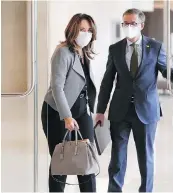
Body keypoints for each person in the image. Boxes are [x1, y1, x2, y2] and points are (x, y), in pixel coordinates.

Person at [95, 8, 173, 192]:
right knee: (117, 157)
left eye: (132, 23)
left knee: (146, 157)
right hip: (120, 111)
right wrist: (100, 110)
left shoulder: (155, 47)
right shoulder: (115, 48)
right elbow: (107, 81)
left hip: (147, 110)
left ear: (141, 25)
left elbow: (168, 74)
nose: (128, 27)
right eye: (125, 23)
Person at [41, 13, 97, 192]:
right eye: (82, 29)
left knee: (86, 161)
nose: (86, 33)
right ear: (73, 29)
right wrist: (66, 117)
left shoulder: (84, 52)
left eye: (89, 30)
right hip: (58, 111)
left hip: (81, 111)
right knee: (61, 162)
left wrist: (91, 111)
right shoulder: (62, 52)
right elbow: (57, 87)